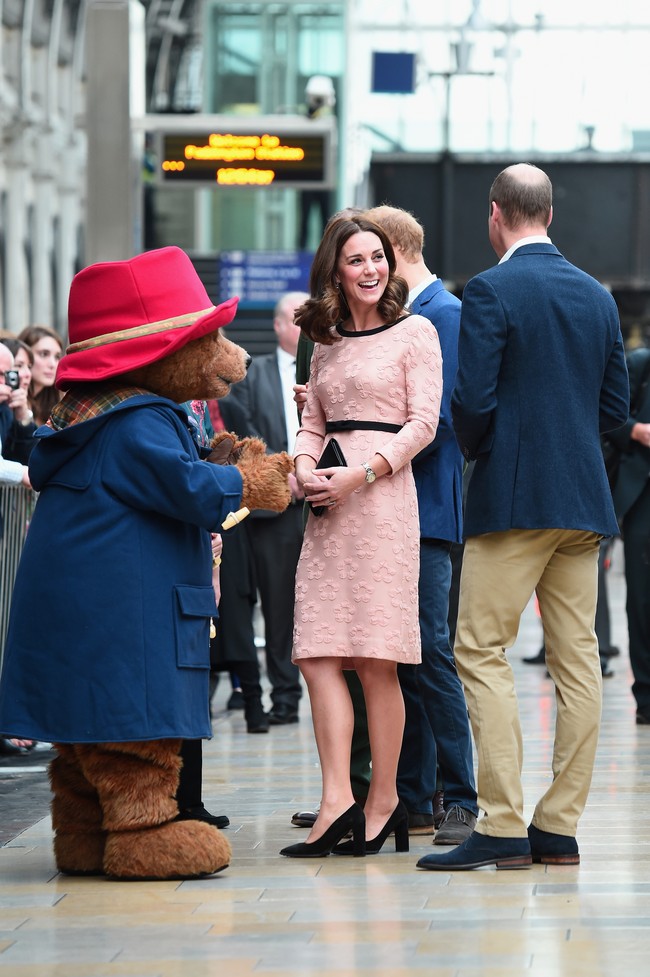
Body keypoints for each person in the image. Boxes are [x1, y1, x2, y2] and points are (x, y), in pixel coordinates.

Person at [417, 163, 629, 872]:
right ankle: (558, 826)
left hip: (513, 499)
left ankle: (503, 821)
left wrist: (485, 454)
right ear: (549, 215)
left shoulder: (491, 288)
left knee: (478, 649)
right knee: (579, 664)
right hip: (583, 503)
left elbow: (471, 402)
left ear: (496, 214)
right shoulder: (597, 298)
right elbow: (615, 414)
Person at [279, 214, 442, 858]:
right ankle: (335, 799)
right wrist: (300, 466)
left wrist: (362, 474)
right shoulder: (325, 342)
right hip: (326, 508)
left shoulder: (417, 332)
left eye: (378, 257)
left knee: (377, 661)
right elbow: (313, 422)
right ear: (335, 272)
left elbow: (424, 424)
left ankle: (383, 802)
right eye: (356, 260)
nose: (371, 269)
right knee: (316, 652)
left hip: (381, 502)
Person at [365, 204, 479, 846]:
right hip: (391, 505)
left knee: (432, 652)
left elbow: (440, 423)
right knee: (399, 658)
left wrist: (364, 442)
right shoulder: (406, 319)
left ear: (393, 252)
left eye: (373, 256)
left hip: (427, 508)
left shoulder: (445, 317)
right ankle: (413, 797)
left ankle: (459, 798)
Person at [226, 292, 309, 726]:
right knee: (267, 603)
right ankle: (274, 694)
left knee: (295, 606)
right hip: (267, 508)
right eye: (297, 319)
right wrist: (285, 474)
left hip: (316, 504)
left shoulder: (328, 364)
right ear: (278, 326)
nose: (304, 326)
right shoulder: (251, 374)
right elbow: (247, 432)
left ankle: (294, 693)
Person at [607, 344, 650, 725]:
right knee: (640, 600)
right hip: (642, 498)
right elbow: (610, 415)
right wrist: (638, 430)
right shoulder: (639, 363)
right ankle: (646, 698)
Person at [17, 324, 63, 425]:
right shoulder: (11, 402)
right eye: (44, 354)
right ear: (23, 355)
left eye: (57, 357)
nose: (53, 364)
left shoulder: (55, 405)